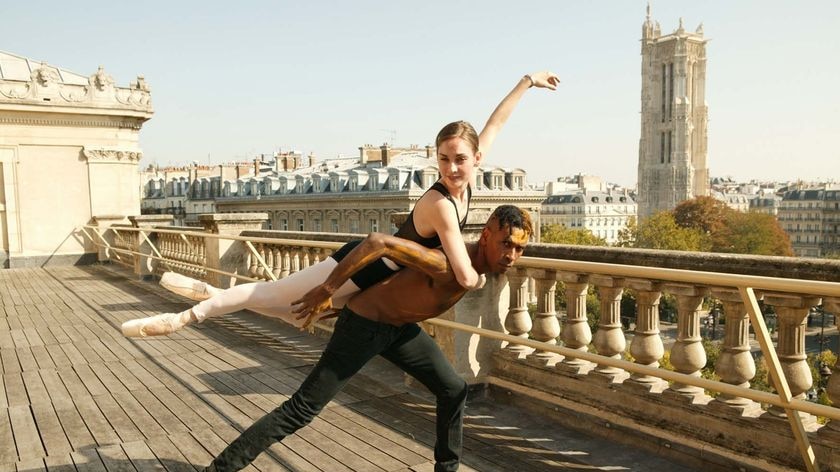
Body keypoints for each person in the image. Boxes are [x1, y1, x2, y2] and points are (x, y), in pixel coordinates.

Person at [121, 72, 558, 337]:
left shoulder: (468, 179)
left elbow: (494, 124)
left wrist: (526, 82)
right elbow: (463, 272)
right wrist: (481, 280)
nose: (451, 168)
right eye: (443, 160)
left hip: (379, 276)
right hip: (360, 268)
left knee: (282, 309)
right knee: (273, 298)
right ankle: (183, 319)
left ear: (476, 158)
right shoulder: (443, 204)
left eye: (460, 159)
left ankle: (211, 294)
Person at [202, 205, 533, 472]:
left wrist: (344, 298)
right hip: (363, 328)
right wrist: (328, 290)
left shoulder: (470, 271)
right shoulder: (448, 262)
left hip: (399, 330)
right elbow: (378, 243)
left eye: (519, 248)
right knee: (301, 410)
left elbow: (392, 281)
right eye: (507, 244)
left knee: (453, 389)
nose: (511, 255)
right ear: (486, 236)